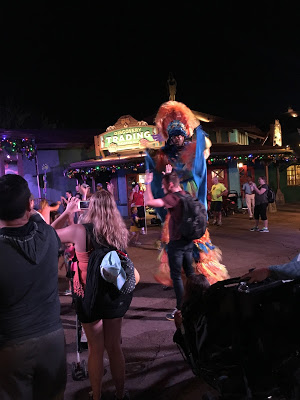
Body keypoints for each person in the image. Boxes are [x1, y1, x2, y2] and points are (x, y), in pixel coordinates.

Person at [51, 191, 133, 400]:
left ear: (91, 207)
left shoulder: (80, 231)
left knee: (96, 350)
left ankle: (96, 395)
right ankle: (120, 393)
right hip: (113, 295)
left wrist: (67, 211)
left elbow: (49, 233)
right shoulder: (119, 232)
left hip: (89, 297)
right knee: (114, 346)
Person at [145, 101, 229, 289]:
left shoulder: (191, 153)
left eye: (180, 136)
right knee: (176, 246)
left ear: (184, 136)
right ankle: (183, 283)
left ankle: (202, 281)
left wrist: (180, 173)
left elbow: (197, 170)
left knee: (197, 245)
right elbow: (163, 182)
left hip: (189, 205)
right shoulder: (164, 156)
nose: (176, 139)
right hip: (175, 208)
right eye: (173, 136)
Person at [0, 174, 66, 400]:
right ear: (30, 204)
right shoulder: (47, 235)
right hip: (53, 338)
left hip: (12, 344)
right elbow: (38, 221)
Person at [144, 169, 196, 320]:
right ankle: (194, 304)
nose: (162, 187)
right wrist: (169, 174)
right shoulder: (185, 194)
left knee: (177, 276)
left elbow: (149, 202)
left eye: (163, 185)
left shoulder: (172, 198)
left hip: (177, 243)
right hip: (188, 241)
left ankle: (180, 309)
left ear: (171, 185)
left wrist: (147, 183)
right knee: (190, 274)